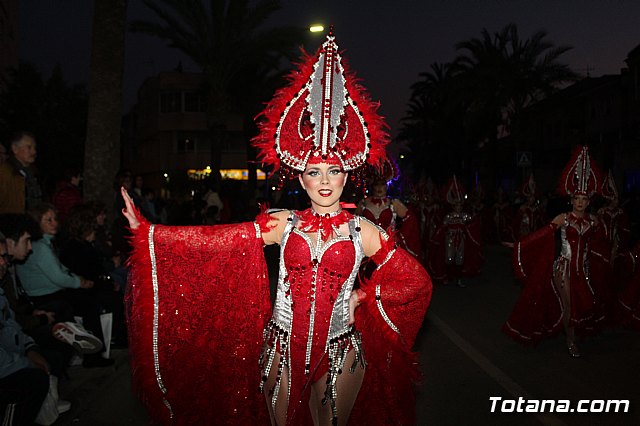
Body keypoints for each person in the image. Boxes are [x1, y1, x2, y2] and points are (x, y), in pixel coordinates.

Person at [121, 30, 432, 426]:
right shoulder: (284, 222)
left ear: (345, 177)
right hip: (281, 348)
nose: (324, 179)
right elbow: (219, 241)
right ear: (300, 179)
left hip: (341, 350)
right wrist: (152, 233)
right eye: (313, 171)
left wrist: (366, 298)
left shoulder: (363, 230)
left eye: (333, 171)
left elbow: (416, 281)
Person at [503, 146, 610, 358]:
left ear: (589, 201)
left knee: (584, 304)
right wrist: (519, 245)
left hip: (584, 269)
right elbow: (542, 235)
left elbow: (599, 245)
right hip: (563, 267)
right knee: (568, 303)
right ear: (571, 200)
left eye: (584, 199)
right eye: (577, 199)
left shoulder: (594, 221)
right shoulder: (563, 218)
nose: (580, 202)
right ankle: (571, 340)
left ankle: (571, 331)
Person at [15, 204, 111, 367]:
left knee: (89, 296)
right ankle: (91, 354)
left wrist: (78, 279)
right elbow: (58, 277)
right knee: (88, 303)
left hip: (51, 291)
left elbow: (61, 269)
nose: (54, 223)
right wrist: (79, 282)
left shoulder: (45, 243)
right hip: (44, 296)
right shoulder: (39, 247)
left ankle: (85, 346)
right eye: (48, 220)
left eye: (55, 219)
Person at [355, 160, 421, 260]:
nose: (379, 188)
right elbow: (354, 225)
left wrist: (399, 237)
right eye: (376, 184)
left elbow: (410, 219)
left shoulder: (393, 203)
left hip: (389, 250)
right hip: (367, 251)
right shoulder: (363, 203)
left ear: (386, 185)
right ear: (372, 186)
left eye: (382, 184)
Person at [428, 176, 483, 287]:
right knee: (449, 258)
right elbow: (442, 227)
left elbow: (473, 223)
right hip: (450, 239)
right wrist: (436, 237)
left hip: (461, 239)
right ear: (453, 206)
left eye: (460, 205)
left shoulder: (465, 216)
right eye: (457, 205)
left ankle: (459, 280)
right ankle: (448, 277)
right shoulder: (448, 216)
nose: (459, 207)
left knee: (460, 259)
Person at [0, 131, 42, 214]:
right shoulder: (5, 173)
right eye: (29, 147)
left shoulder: (33, 173)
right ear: (15, 149)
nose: (34, 152)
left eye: (34, 148)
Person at [512, 174, 545, 241]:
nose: (531, 199)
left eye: (533, 197)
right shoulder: (523, 208)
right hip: (525, 233)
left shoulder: (537, 208)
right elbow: (516, 222)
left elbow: (542, 221)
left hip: (535, 233)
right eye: (530, 197)